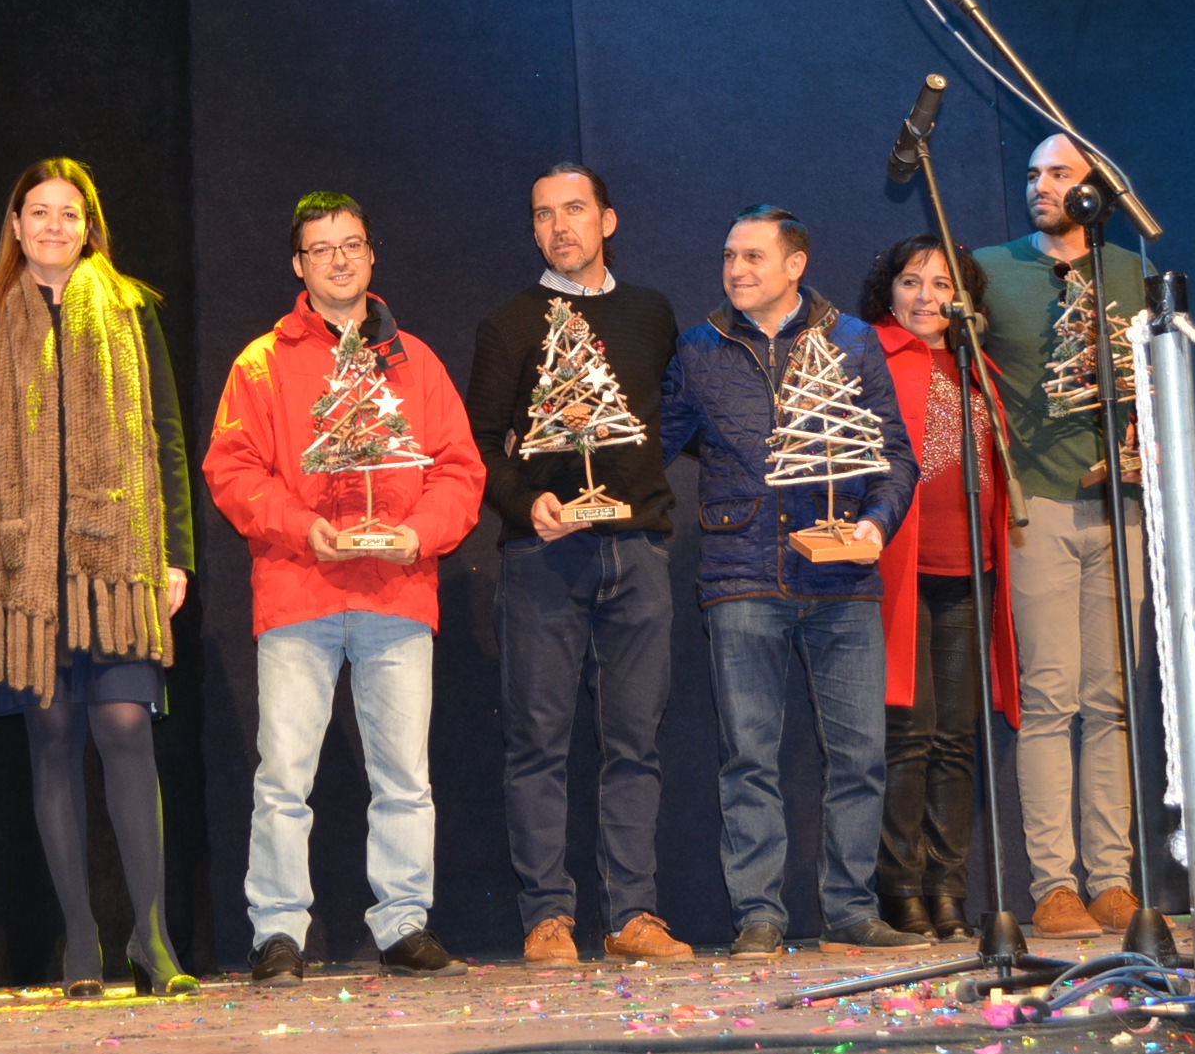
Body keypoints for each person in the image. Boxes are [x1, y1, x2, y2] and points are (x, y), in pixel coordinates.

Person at [204, 192, 484, 984]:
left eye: (351, 244)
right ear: (298, 265)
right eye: (321, 248)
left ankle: (402, 924)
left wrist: (416, 534)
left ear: (371, 255)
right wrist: (302, 526)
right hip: (300, 592)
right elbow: (231, 470)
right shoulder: (262, 363)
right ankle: (278, 931)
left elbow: (460, 470)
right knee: (284, 777)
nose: (338, 259)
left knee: (404, 776)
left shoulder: (415, 362)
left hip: (397, 593)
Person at [0, 161, 196, 999]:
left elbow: (167, 433)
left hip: (118, 562)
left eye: (70, 213)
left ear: (89, 226)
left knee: (126, 725)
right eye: (38, 213)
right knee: (52, 739)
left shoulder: (133, 309)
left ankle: (153, 937)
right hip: (26, 568)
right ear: (15, 226)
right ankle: (81, 942)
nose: (54, 227)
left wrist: (176, 554)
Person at [663, 205, 920, 957]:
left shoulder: (851, 342)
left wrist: (875, 525)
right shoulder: (699, 348)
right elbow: (649, 441)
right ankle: (760, 917)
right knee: (749, 756)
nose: (736, 269)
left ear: (794, 264)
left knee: (860, 755)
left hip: (841, 579)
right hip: (740, 574)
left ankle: (851, 909)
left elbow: (895, 456)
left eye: (751, 256)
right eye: (729, 256)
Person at [464, 164, 689, 966]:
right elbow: (481, 445)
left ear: (608, 220)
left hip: (639, 552)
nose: (559, 226)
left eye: (574, 210)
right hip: (543, 562)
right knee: (539, 743)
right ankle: (548, 916)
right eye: (543, 215)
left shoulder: (653, 315)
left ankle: (632, 914)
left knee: (635, 742)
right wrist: (528, 506)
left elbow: (676, 417)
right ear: (533, 232)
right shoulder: (510, 324)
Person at [971, 134, 1150, 941]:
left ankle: (1112, 880)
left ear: (1094, 192)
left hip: (1123, 510)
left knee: (1110, 702)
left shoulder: (1129, 271)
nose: (1039, 185)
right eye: (1035, 172)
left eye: (1059, 175)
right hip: (1035, 507)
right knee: (1048, 701)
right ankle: (1055, 885)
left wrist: (1140, 448)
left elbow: (1156, 382)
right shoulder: (986, 269)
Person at [860, 234, 1018, 941]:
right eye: (911, 282)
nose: (926, 297)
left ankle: (948, 888)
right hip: (903, 570)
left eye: (941, 284)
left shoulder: (978, 367)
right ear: (888, 291)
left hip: (972, 572)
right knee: (909, 734)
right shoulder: (871, 358)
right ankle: (900, 888)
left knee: (958, 738)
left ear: (968, 300)